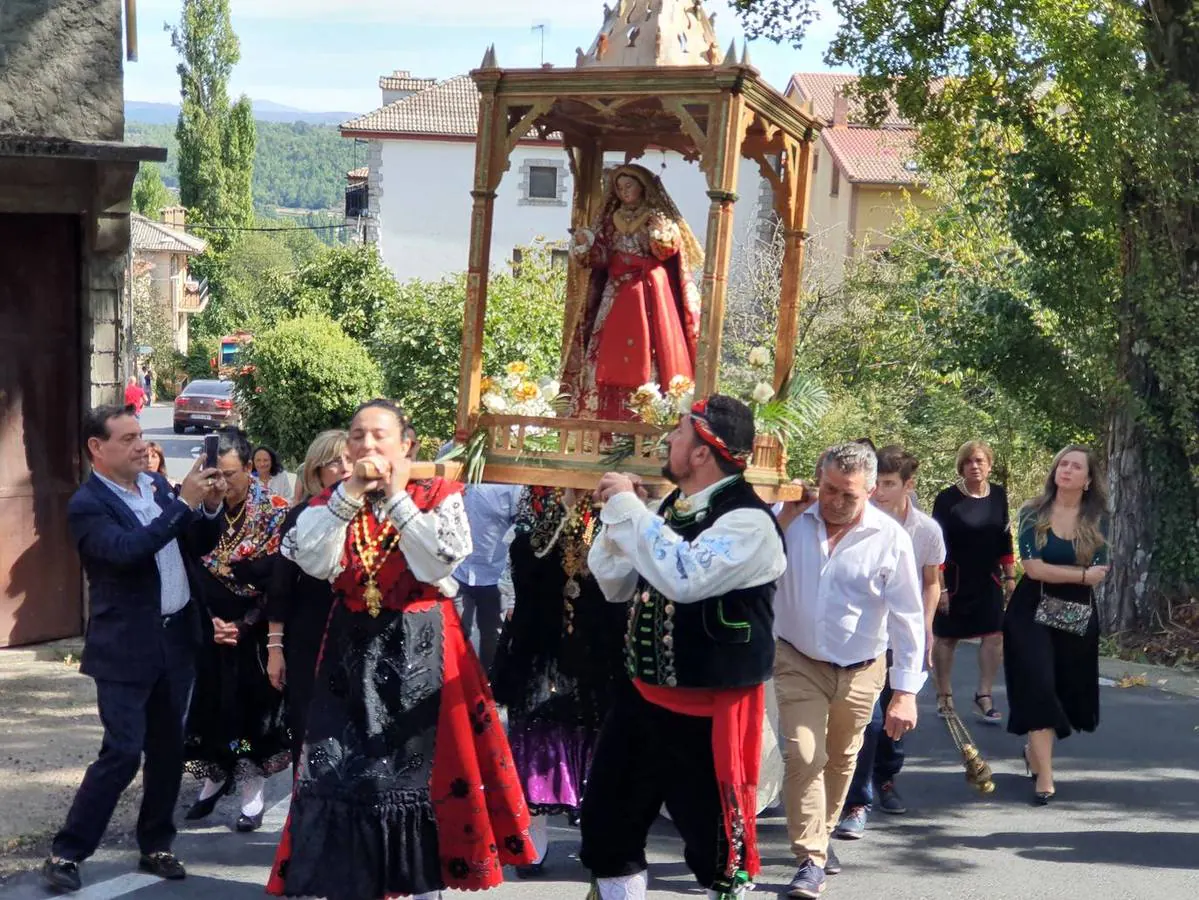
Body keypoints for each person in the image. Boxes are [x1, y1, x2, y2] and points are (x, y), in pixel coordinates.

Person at [266, 399, 534, 900]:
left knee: (422, 779)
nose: (367, 446)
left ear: (406, 445)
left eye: (379, 436)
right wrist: (349, 495)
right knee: (343, 774)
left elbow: (438, 563)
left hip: (423, 648)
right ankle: (354, 883)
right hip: (351, 651)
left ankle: (420, 886)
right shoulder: (330, 503)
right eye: (357, 436)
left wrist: (396, 497)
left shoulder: (438, 495)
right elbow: (314, 560)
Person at [580, 394, 786, 900]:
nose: (666, 441)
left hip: (708, 709)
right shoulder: (668, 509)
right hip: (640, 698)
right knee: (609, 826)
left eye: (677, 434)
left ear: (701, 452)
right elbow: (612, 582)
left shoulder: (749, 522)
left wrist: (630, 509)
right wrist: (620, 518)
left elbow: (685, 577)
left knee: (716, 849)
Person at [41, 405, 225, 893]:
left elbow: (198, 544)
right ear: (97, 449)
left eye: (141, 435)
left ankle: (156, 843)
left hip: (176, 639)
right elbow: (126, 552)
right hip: (125, 648)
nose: (141, 445)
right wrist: (183, 505)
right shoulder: (87, 505)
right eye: (127, 439)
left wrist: (208, 506)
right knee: (122, 752)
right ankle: (68, 851)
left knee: (168, 751)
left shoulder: (158, 487)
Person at [773, 442, 925, 899]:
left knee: (841, 758)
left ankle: (821, 834)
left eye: (849, 495)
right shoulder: (791, 518)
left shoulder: (890, 538)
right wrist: (781, 517)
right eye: (829, 489)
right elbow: (748, 554)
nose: (836, 502)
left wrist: (905, 692)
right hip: (797, 659)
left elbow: (908, 617)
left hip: (862, 670)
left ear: (873, 490)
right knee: (803, 754)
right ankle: (811, 858)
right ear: (819, 477)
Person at [490, 487, 627, 877]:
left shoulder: (617, 496)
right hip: (540, 636)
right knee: (537, 729)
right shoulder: (537, 493)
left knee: (601, 733)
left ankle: (601, 834)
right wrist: (561, 507)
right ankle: (533, 837)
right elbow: (521, 560)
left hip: (601, 639)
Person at [833, 446, 945, 841]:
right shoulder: (859, 521)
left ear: (908, 486)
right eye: (876, 482)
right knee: (869, 720)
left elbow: (931, 583)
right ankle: (857, 800)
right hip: (869, 634)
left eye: (888, 483)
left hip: (905, 631)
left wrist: (926, 630)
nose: (879, 491)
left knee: (896, 719)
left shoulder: (926, 530)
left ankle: (887, 778)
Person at [183, 430, 291, 833]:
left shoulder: (277, 511)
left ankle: (250, 789)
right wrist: (209, 618)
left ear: (250, 468)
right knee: (211, 705)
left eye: (230, 474)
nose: (222, 484)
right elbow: (188, 565)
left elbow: (281, 581)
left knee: (251, 710)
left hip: (257, 627)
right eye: (216, 475)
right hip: (208, 621)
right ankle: (215, 776)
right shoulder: (197, 507)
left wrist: (246, 624)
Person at [1003, 445, 1110, 805]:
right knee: (1038, 683)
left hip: (1076, 613)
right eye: (1062, 464)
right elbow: (1033, 569)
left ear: (1087, 479)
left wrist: (1080, 576)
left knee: (1062, 688)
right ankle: (1045, 777)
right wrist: (1081, 573)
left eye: (1075, 466)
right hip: (1030, 609)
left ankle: (1036, 752)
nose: (1065, 470)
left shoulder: (1098, 518)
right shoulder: (1033, 512)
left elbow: (1101, 572)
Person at [563, 164, 702, 420]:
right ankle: (598, 412)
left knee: (650, 351)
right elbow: (603, 256)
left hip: (647, 294)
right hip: (615, 292)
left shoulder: (655, 217)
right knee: (603, 346)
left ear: (642, 187)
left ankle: (651, 413)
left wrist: (661, 236)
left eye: (629, 186)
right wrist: (587, 248)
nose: (624, 191)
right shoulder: (610, 220)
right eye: (619, 187)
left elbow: (667, 252)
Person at [265, 429, 349, 764]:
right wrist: (275, 648)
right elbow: (280, 586)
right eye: (334, 462)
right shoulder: (301, 517)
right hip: (308, 639)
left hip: (357, 638)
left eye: (349, 459)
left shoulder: (376, 514)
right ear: (316, 471)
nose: (344, 468)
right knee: (309, 729)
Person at [931, 440, 1016, 724]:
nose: (975, 466)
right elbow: (937, 545)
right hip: (954, 580)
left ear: (989, 465)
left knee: (994, 635)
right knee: (947, 638)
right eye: (969, 462)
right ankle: (945, 696)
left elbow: (1005, 539)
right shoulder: (947, 499)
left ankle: (984, 695)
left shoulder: (999, 495)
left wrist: (1010, 577)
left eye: (980, 461)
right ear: (961, 466)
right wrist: (940, 587)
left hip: (988, 579)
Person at [453, 482, 521, 671]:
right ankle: (456, 692)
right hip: (456, 573)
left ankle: (486, 690)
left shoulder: (512, 482)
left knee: (492, 641)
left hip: (495, 578)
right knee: (453, 637)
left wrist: (513, 597)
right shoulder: (453, 459)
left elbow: (519, 537)